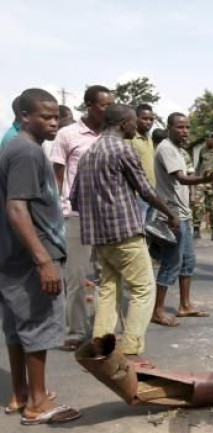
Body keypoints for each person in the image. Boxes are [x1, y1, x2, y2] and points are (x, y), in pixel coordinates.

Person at [71, 104, 178, 362]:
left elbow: (74, 199)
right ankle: (130, 349)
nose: (138, 127)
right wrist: (170, 213)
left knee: (107, 289)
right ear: (123, 124)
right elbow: (145, 190)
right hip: (125, 234)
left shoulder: (89, 153)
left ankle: (101, 344)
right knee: (143, 289)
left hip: (99, 237)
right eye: (133, 122)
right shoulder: (122, 150)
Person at [0, 88, 81, 425]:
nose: (54, 122)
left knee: (18, 327)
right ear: (24, 117)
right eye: (45, 117)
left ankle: (22, 393)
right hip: (32, 255)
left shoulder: (15, 146)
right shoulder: (27, 152)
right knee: (38, 324)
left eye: (55, 116)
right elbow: (17, 209)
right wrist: (44, 260)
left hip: (14, 255)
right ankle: (37, 402)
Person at [50, 84, 114, 351]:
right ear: (89, 105)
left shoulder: (112, 136)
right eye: (104, 105)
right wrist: (61, 207)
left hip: (108, 216)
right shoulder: (68, 134)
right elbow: (57, 175)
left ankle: (103, 330)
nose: (109, 110)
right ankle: (75, 331)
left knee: (107, 276)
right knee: (76, 276)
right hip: (76, 215)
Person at [151, 113, 213, 327]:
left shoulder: (178, 149)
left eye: (187, 127)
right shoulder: (167, 148)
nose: (185, 131)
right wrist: (204, 178)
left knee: (188, 262)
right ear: (169, 127)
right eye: (180, 127)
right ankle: (157, 311)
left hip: (183, 214)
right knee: (171, 263)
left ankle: (185, 305)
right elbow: (182, 178)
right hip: (173, 216)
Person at [192, 132, 213, 240]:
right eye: (206, 140)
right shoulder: (203, 150)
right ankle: (196, 230)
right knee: (198, 206)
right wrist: (195, 180)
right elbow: (199, 166)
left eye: (209, 140)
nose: (207, 142)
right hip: (202, 182)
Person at [128, 103, 156, 222]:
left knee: (150, 232)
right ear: (136, 118)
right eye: (144, 118)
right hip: (138, 195)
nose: (148, 122)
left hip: (153, 193)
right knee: (139, 231)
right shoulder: (130, 139)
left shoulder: (149, 139)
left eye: (151, 119)